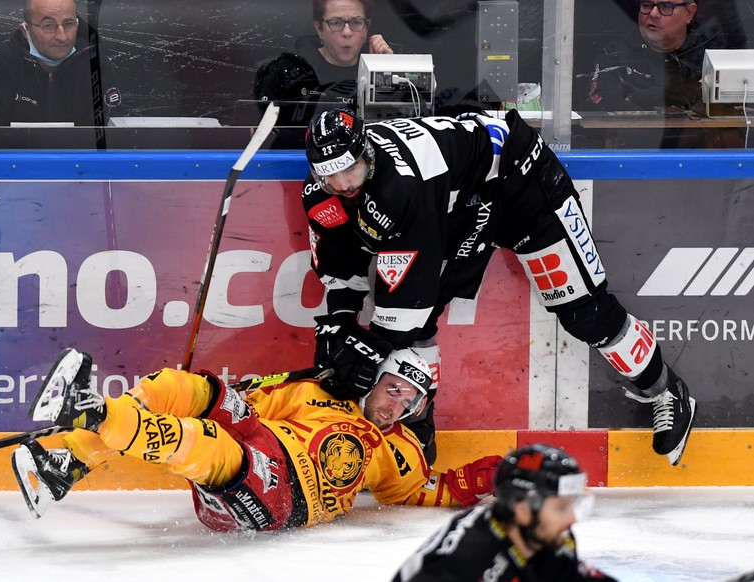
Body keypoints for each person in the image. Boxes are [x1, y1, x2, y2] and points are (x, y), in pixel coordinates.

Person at [300, 107, 696, 467]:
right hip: (463, 200)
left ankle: (664, 388)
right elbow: (340, 261)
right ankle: (417, 429)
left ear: (367, 151)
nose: (341, 183)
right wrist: (338, 321)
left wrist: (366, 349)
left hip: (521, 181)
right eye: (329, 174)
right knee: (413, 331)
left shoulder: (402, 187)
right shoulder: (324, 192)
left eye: (348, 169)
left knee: (584, 312)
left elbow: (407, 303)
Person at [11, 346, 503, 531]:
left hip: (284, 496)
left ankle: (94, 412)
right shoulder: (314, 392)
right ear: (376, 380)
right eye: (395, 389)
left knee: (207, 442)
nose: (397, 406)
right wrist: (217, 393)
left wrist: (491, 477)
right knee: (185, 387)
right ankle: (66, 465)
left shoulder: (400, 452)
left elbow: (426, 490)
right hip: (262, 445)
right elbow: (245, 404)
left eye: (411, 402)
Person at [391, 444, 619, 581]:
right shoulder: (464, 559)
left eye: (572, 506)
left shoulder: (551, 535)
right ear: (522, 509)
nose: (571, 519)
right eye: (561, 508)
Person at [578, 0, 740, 147]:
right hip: (634, 157)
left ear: (689, 13)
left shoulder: (711, 54)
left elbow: (740, 106)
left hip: (705, 163)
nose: (653, 14)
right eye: (647, 5)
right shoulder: (615, 55)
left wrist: (637, 96)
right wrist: (665, 98)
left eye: (665, 7)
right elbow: (597, 102)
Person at [0, 0, 123, 127]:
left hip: (80, 160)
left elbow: (112, 132)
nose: (62, 37)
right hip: (16, 160)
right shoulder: (0, 65)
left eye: (69, 24)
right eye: (48, 25)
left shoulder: (94, 64)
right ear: (25, 30)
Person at [293, 0, 394, 105]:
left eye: (356, 22)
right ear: (319, 28)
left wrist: (383, 72)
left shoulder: (376, 60)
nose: (347, 32)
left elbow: (388, 113)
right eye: (336, 22)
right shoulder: (299, 71)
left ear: (367, 27)